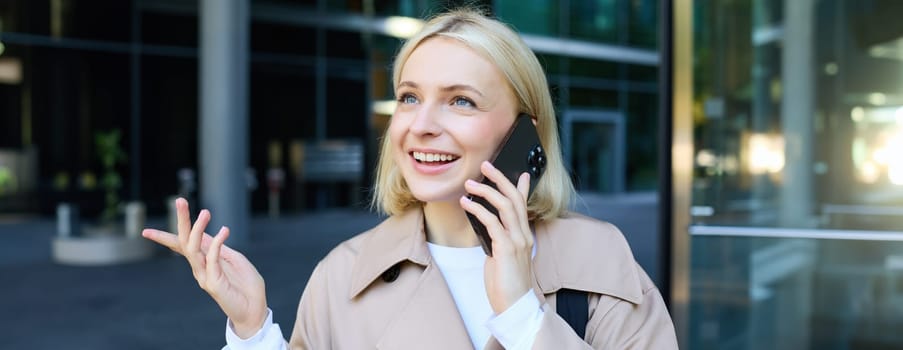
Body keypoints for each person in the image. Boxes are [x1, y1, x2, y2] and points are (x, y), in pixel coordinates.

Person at [142, 8, 678, 350]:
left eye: (460, 101)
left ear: (525, 133)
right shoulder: (343, 276)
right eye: (409, 98)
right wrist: (254, 329)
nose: (421, 126)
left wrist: (522, 316)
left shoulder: (599, 261)